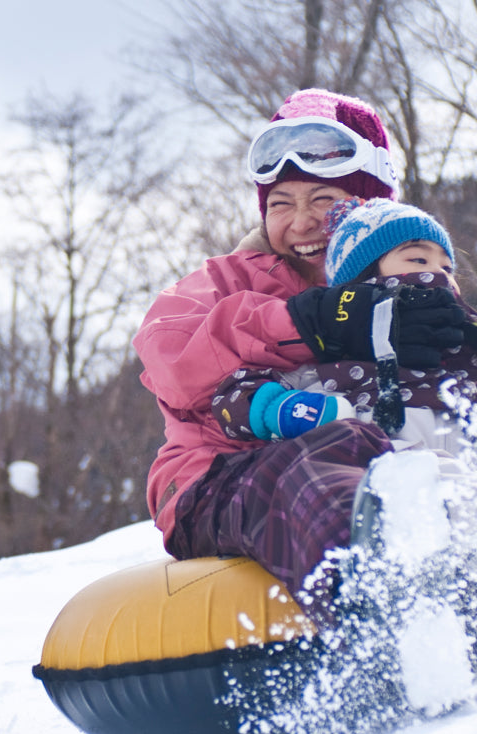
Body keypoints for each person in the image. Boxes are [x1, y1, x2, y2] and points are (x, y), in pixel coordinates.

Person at [132, 88, 471, 623]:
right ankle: (377, 624)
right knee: (339, 447)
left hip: (398, 457)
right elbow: (172, 361)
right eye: (282, 204)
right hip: (223, 477)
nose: (301, 222)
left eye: (323, 201)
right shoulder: (222, 281)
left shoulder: (407, 284)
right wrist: (312, 322)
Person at [212, 197, 477, 449]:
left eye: (447, 268)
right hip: (379, 468)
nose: (439, 274)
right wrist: (286, 409)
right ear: (364, 277)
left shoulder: (465, 344)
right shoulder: (343, 349)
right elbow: (235, 397)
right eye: (418, 259)